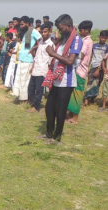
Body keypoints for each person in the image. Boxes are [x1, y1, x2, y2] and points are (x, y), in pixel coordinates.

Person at [41, 14, 83, 145]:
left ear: (69, 26)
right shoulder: (63, 40)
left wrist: (53, 54)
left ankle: (56, 138)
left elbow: (70, 61)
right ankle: (48, 133)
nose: (59, 31)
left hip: (66, 81)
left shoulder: (76, 40)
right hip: (56, 79)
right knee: (49, 108)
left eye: (61, 28)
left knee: (60, 110)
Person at [65, 21, 93, 123]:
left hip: (80, 71)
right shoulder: (86, 40)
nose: (80, 32)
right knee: (73, 93)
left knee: (77, 94)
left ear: (86, 30)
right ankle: (71, 114)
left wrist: (70, 57)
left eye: (81, 30)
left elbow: (80, 55)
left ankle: (75, 117)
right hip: (79, 70)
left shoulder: (86, 41)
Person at [27, 23, 54, 113]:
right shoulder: (41, 42)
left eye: (45, 32)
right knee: (30, 88)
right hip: (36, 69)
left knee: (39, 90)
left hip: (43, 71)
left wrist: (49, 71)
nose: (43, 34)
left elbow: (51, 59)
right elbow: (37, 57)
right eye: (42, 32)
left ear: (50, 32)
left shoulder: (50, 44)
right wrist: (32, 67)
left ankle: (36, 107)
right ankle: (33, 102)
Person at [14, 16, 41, 102]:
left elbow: (42, 39)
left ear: (27, 24)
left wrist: (34, 48)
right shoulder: (26, 32)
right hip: (22, 59)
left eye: (22, 24)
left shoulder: (33, 31)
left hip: (28, 59)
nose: (20, 26)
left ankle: (25, 99)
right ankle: (22, 97)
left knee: (25, 80)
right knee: (20, 79)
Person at [84, 30, 108, 105]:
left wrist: (99, 69)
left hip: (101, 68)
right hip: (93, 66)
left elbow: (104, 59)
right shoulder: (94, 46)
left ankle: (92, 98)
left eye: (105, 38)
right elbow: (90, 56)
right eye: (102, 37)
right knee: (90, 83)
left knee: (97, 84)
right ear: (99, 37)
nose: (103, 39)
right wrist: (87, 66)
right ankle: (86, 100)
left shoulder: (106, 47)